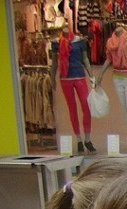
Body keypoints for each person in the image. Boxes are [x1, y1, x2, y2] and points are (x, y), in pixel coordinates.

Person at [95, 23, 127, 153]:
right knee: (125, 108)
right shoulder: (111, 41)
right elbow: (109, 60)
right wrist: (100, 75)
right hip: (117, 76)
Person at [50, 22, 96, 154]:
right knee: (72, 109)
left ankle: (88, 139)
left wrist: (92, 76)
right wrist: (52, 78)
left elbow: (85, 60)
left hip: (80, 77)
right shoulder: (56, 43)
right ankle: (79, 140)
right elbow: (54, 63)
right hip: (65, 78)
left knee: (86, 107)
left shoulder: (79, 41)